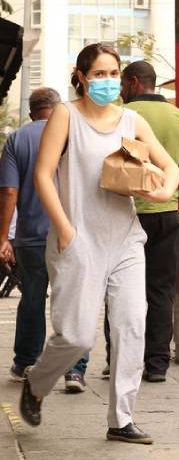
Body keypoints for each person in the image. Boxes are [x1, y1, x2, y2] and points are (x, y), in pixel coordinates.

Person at [20, 44, 179, 445]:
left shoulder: (131, 119)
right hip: (77, 238)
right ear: (81, 75)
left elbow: (170, 166)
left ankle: (121, 418)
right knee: (75, 337)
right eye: (100, 74)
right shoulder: (66, 114)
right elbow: (43, 175)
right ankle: (36, 384)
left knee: (131, 325)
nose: (108, 81)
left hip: (125, 238)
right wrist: (65, 228)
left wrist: (164, 193)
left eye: (114, 73)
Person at [0, 88, 90, 392]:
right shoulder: (75, 133)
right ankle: (74, 371)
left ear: (31, 113)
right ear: (58, 108)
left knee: (33, 299)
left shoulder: (17, 139)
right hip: (73, 232)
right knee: (74, 301)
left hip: (31, 236)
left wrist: (3, 237)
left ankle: (27, 361)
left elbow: (9, 191)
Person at [119, 60, 179, 383]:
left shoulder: (122, 116)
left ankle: (118, 360)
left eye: (121, 82)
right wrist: (170, 195)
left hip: (126, 213)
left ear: (134, 83)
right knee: (161, 291)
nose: (119, 89)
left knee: (119, 290)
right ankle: (158, 364)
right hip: (166, 213)